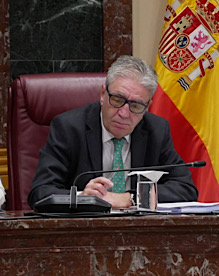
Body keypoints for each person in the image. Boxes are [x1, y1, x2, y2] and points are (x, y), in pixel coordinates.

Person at [28, 55, 198, 209]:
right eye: (117, 100)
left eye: (136, 106)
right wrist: (83, 198)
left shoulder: (156, 130)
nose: (124, 113)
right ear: (103, 94)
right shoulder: (69, 128)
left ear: (147, 107)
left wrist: (132, 198)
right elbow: (40, 192)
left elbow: (185, 188)